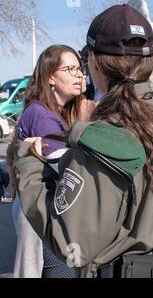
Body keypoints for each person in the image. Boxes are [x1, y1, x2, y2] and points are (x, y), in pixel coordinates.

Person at [14, 4, 153, 278]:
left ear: (95, 63)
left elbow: (71, 243)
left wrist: (29, 165)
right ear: (149, 62)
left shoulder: (100, 137)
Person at [11, 45, 89, 278]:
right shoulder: (41, 116)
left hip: (46, 214)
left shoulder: (56, 113)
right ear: (50, 77)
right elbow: (68, 171)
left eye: (80, 68)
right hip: (42, 218)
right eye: (70, 68)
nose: (79, 74)